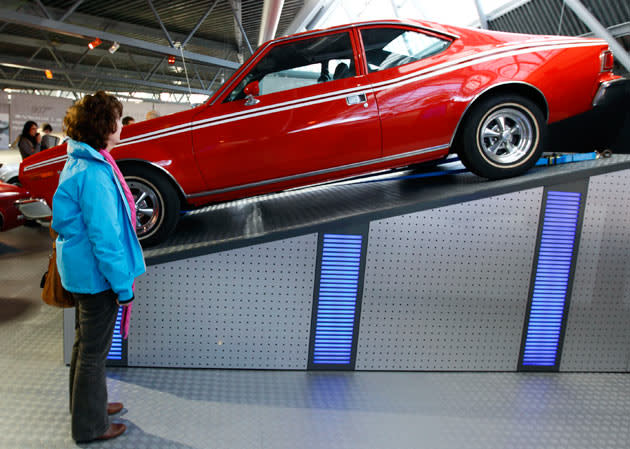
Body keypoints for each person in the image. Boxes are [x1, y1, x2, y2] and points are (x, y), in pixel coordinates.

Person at [51, 91, 145, 443]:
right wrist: (123, 286)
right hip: (96, 277)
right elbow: (106, 240)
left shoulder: (80, 162)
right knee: (93, 353)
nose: (122, 125)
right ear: (104, 127)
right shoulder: (94, 173)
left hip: (80, 272)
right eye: (118, 119)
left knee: (84, 346)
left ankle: (86, 406)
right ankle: (91, 426)